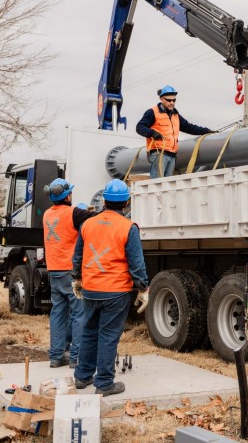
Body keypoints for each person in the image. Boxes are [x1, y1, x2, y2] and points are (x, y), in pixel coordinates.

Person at [71, 179, 150, 396]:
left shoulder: (87, 224)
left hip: (91, 288)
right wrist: (143, 289)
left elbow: (78, 256)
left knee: (89, 331)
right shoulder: (128, 227)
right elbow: (136, 263)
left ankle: (82, 376)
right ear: (126, 203)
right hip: (115, 291)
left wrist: (77, 278)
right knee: (107, 336)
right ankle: (104, 383)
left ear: (104, 200)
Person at [42, 178, 95, 369]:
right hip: (70, 272)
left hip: (53, 270)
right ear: (67, 195)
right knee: (78, 313)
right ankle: (76, 357)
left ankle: (56, 357)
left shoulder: (47, 214)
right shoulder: (73, 213)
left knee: (57, 313)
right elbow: (96, 218)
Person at [135, 85, 213, 178]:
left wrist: (206, 131)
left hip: (172, 155)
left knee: (168, 184)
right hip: (159, 153)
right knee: (158, 183)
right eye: (169, 100)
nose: (172, 103)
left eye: (174, 100)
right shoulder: (152, 112)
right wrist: (152, 133)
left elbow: (189, 127)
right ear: (162, 99)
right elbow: (139, 127)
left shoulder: (175, 115)